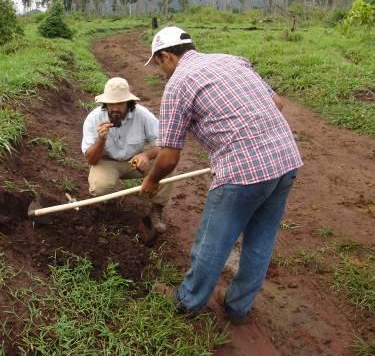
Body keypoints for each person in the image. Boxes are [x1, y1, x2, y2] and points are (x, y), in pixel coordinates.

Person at [140, 26, 303, 323]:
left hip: (243, 170)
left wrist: (151, 181)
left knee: (211, 243)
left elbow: (169, 156)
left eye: (159, 63)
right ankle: (238, 307)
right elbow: (277, 104)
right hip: (286, 159)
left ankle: (187, 302)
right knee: (261, 240)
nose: (161, 71)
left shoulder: (178, 83)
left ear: (166, 56)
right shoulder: (231, 60)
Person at [82, 77, 173, 232]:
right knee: (100, 187)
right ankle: (107, 204)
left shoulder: (142, 115)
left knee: (168, 164)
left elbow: (165, 144)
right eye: (111, 103)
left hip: (135, 161)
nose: (115, 108)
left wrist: (146, 155)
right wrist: (100, 140)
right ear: (105, 103)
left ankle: (156, 210)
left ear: (129, 104)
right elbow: (90, 159)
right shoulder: (94, 118)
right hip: (107, 162)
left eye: (120, 103)